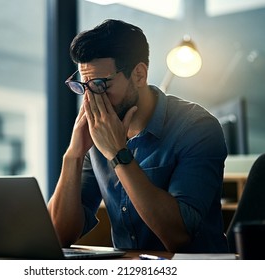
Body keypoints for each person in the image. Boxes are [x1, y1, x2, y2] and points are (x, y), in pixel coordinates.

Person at [48, 19, 228, 253]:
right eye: (84, 86)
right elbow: (58, 235)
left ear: (139, 75)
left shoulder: (197, 128)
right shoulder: (96, 135)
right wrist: (73, 154)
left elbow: (180, 237)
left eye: (101, 85)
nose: (92, 99)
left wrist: (117, 153)